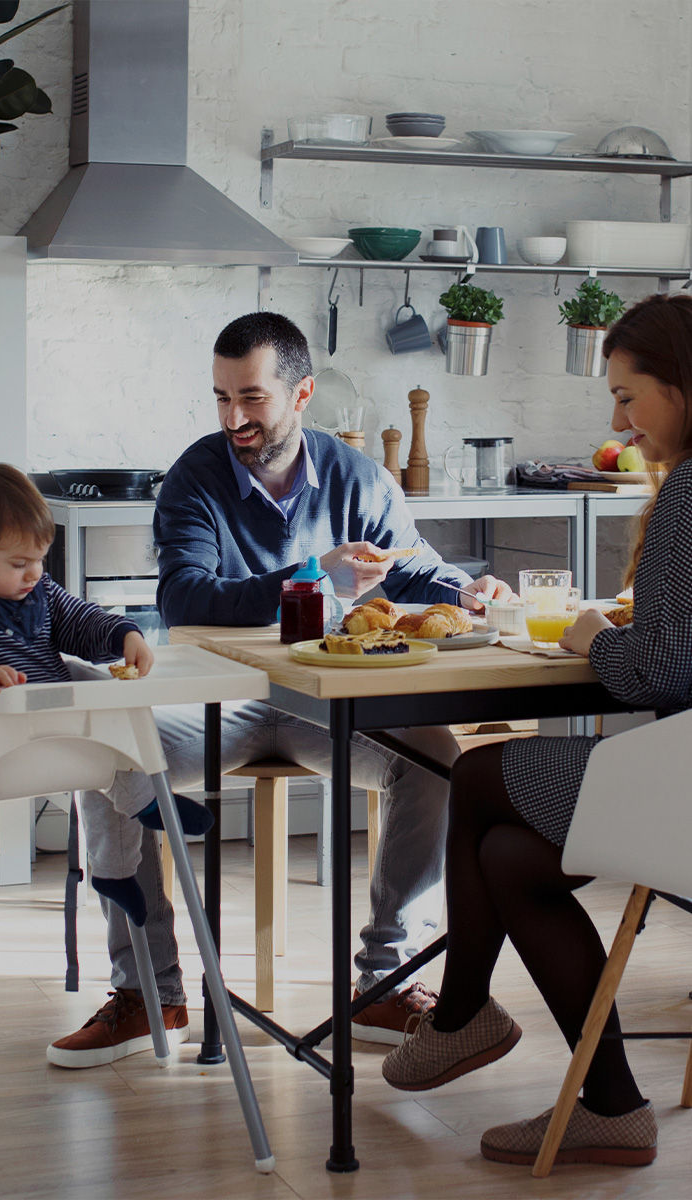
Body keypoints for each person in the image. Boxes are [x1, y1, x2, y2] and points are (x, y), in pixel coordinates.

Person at [48, 311, 512, 1068]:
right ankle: (147, 993)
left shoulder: (358, 476)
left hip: (324, 705)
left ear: (302, 395)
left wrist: (468, 591)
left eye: (252, 398)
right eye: (222, 398)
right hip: (221, 703)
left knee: (438, 757)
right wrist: (312, 575)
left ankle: (387, 986)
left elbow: (415, 567)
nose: (235, 417)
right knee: (106, 755)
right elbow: (187, 601)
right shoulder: (195, 479)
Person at [381, 291, 692, 1169]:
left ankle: (460, 1015)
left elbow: (664, 672)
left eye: (630, 395)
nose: (619, 421)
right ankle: (612, 1109)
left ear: (683, 386)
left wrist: (598, 637)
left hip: (686, 800)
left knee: (481, 778)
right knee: (512, 859)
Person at [0, 464, 214, 933]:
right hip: (1, 731)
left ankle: (113, 871)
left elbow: (81, 620)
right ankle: (146, 807)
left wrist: (124, 633)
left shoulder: (41, 591)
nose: (35, 573)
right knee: (112, 763)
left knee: (118, 717)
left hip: (61, 714)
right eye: (18, 563)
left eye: (40, 560)